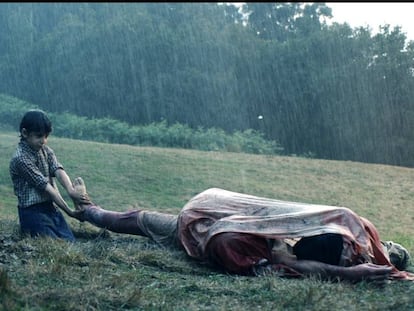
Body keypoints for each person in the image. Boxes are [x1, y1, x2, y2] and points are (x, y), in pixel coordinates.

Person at [71, 178, 413, 282]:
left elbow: (305, 265)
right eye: (392, 247)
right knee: (143, 221)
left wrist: (355, 273)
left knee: (143, 221)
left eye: (391, 250)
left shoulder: (265, 252)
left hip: (206, 223)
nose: (387, 248)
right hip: (212, 214)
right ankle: (90, 211)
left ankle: (90, 211)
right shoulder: (299, 231)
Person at [9, 110, 90, 242]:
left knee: (70, 241)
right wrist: (70, 212)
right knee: (54, 242)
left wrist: (71, 190)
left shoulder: (45, 150)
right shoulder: (21, 159)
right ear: (25, 133)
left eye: (46, 136)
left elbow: (58, 169)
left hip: (50, 208)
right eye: (39, 136)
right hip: (32, 212)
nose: (44, 141)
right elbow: (47, 188)